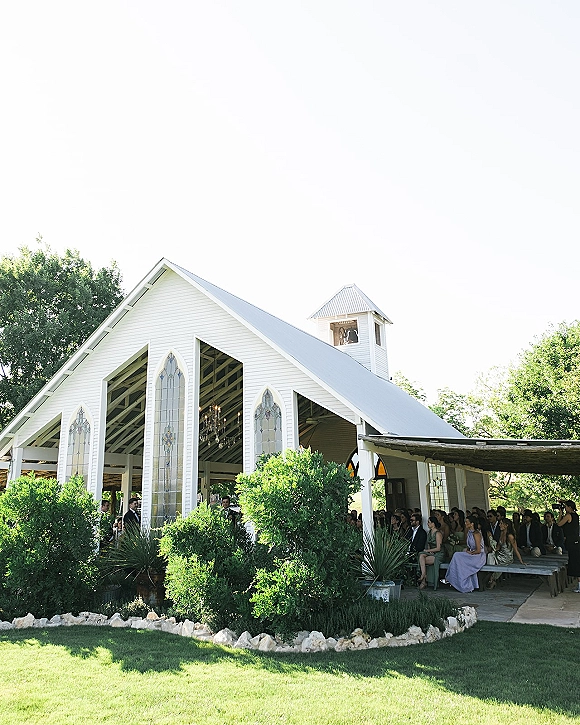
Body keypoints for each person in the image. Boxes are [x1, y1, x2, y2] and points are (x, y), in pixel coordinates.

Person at [441, 514, 486, 593]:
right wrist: (468, 550)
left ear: (472, 524)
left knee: (457, 555)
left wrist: (470, 552)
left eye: (467, 522)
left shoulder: (476, 533)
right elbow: (469, 545)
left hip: (478, 556)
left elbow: (479, 550)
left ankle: (450, 578)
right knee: (457, 555)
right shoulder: (469, 533)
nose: (465, 523)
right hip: (472, 553)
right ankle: (455, 580)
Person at [486, 518, 525, 589]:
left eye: (501, 524)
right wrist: (491, 540)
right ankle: (491, 575)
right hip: (500, 554)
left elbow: (515, 550)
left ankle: (492, 578)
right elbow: (498, 547)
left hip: (507, 557)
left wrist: (521, 561)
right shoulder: (501, 533)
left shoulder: (510, 536)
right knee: (490, 555)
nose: (499, 525)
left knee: (495, 560)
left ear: (506, 525)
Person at [556, 500, 580, 593]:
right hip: (576, 541)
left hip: (572, 542)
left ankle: (579, 585)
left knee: (575, 564)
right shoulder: (575, 515)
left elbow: (559, 524)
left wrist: (560, 513)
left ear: (570, 507)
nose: (565, 508)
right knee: (576, 562)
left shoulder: (568, 516)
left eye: (566, 506)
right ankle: (578, 585)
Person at [417, 516, 444, 589]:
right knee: (421, 556)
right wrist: (430, 551)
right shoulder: (429, 533)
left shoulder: (438, 534)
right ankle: (423, 576)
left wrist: (428, 551)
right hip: (432, 553)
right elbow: (429, 545)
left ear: (433, 523)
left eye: (429, 522)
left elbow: (438, 548)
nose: (427, 524)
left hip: (439, 554)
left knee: (422, 559)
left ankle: (423, 579)